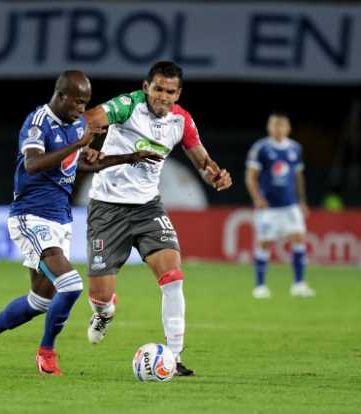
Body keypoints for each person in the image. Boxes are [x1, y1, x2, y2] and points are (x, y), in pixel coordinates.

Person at [0, 71, 162, 376]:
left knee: (40, 301)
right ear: (61, 95)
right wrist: (78, 144)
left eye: (86, 102)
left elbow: (80, 163)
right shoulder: (38, 122)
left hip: (60, 219)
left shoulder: (77, 124)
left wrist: (127, 158)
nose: (82, 108)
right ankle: (47, 353)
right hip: (30, 215)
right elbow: (32, 164)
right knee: (70, 285)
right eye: (78, 101)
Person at [83, 61, 232, 377]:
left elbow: (202, 161)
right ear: (146, 86)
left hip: (148, 208)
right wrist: (89, 143)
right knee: (100, 294)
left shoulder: (182, 121)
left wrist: (215, 175)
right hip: (107, 208)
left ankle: (174, 359)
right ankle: (103, 312)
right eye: (158, 89)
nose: (163, 96)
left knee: (173, 278)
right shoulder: (128, 105)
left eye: (170, 91)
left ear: (178, 93)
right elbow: (92, 117)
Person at [245, 112, 315, 299]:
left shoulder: (295, 149)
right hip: (268, 207)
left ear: (288, 128)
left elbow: (298, 176)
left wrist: (302, 201)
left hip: (290, 205)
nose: (278, 129)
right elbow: (250, 176)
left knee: (299, 238)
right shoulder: (261, 148)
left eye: (282, 125)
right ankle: (260, 286)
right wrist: (257, 198)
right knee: (265, 243)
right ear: (269, 128)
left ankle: (299, 284)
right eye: (275, 125)